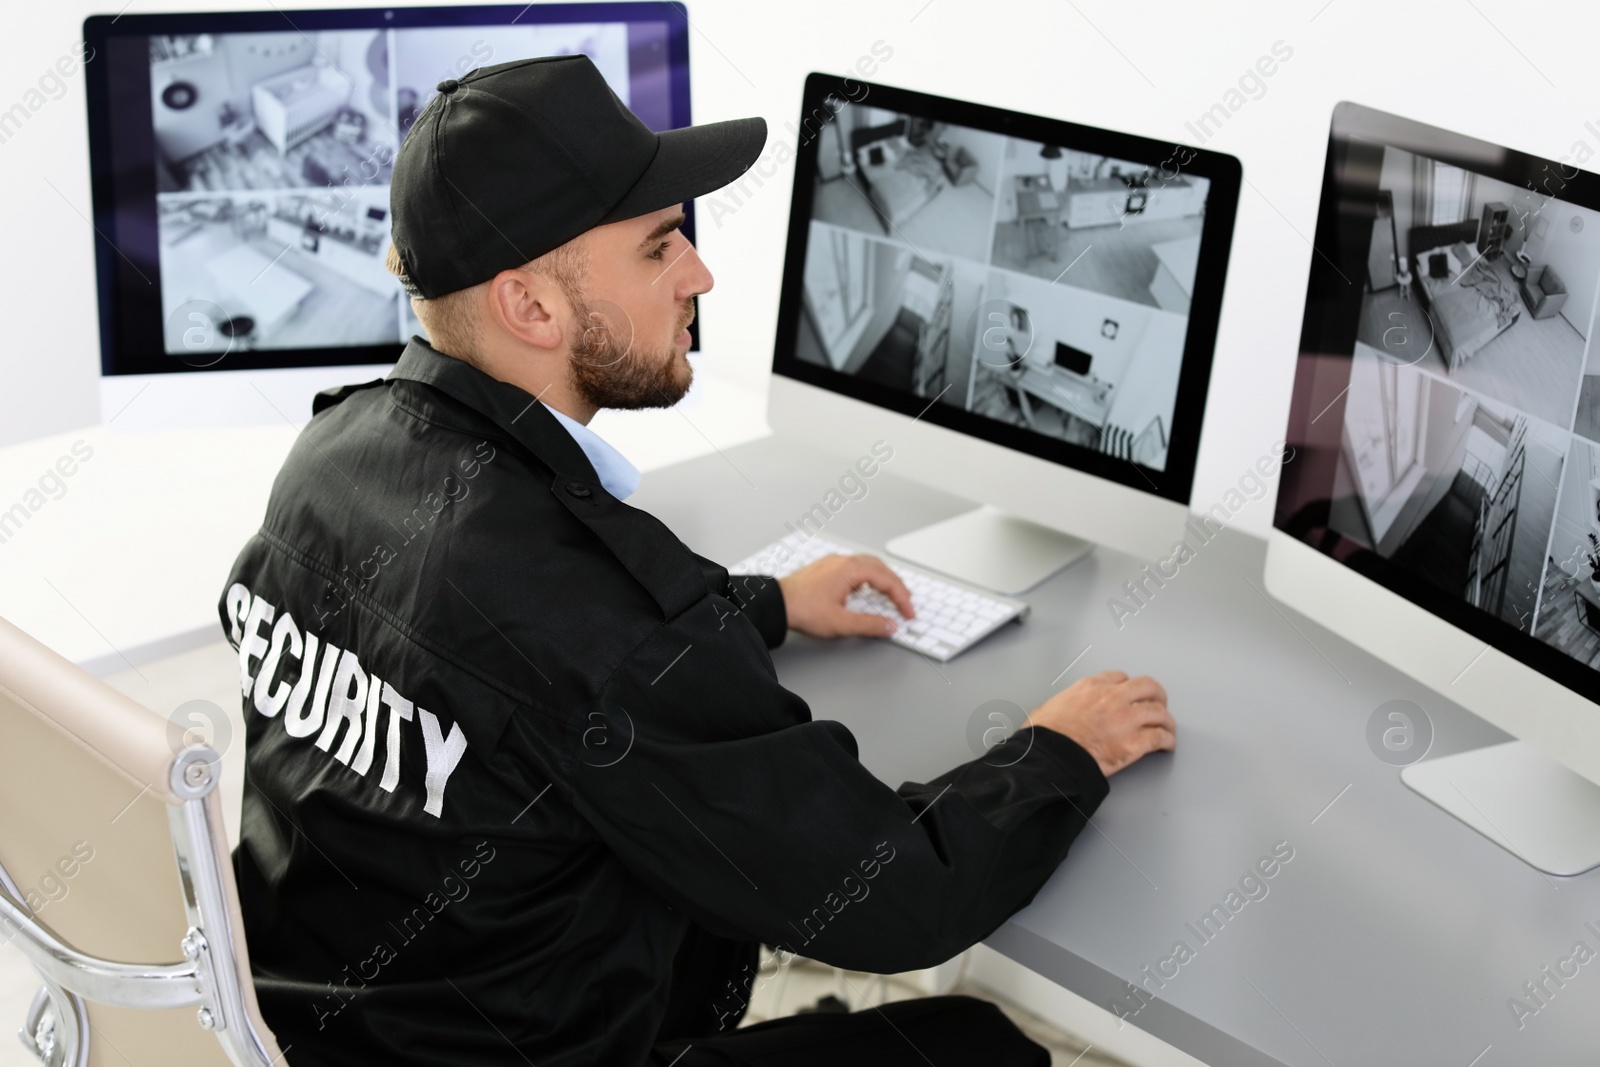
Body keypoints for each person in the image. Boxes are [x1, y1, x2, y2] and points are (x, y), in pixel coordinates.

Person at [218, 54, 1176, 1067]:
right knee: (976, 1045)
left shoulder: (332, 457)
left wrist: (759, 607)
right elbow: (900, 897)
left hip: (338, 1032)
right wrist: (1059, 752)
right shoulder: (598, 618)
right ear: (530, 307)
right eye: (658, 247)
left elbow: (499, 660)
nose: (700, 275)